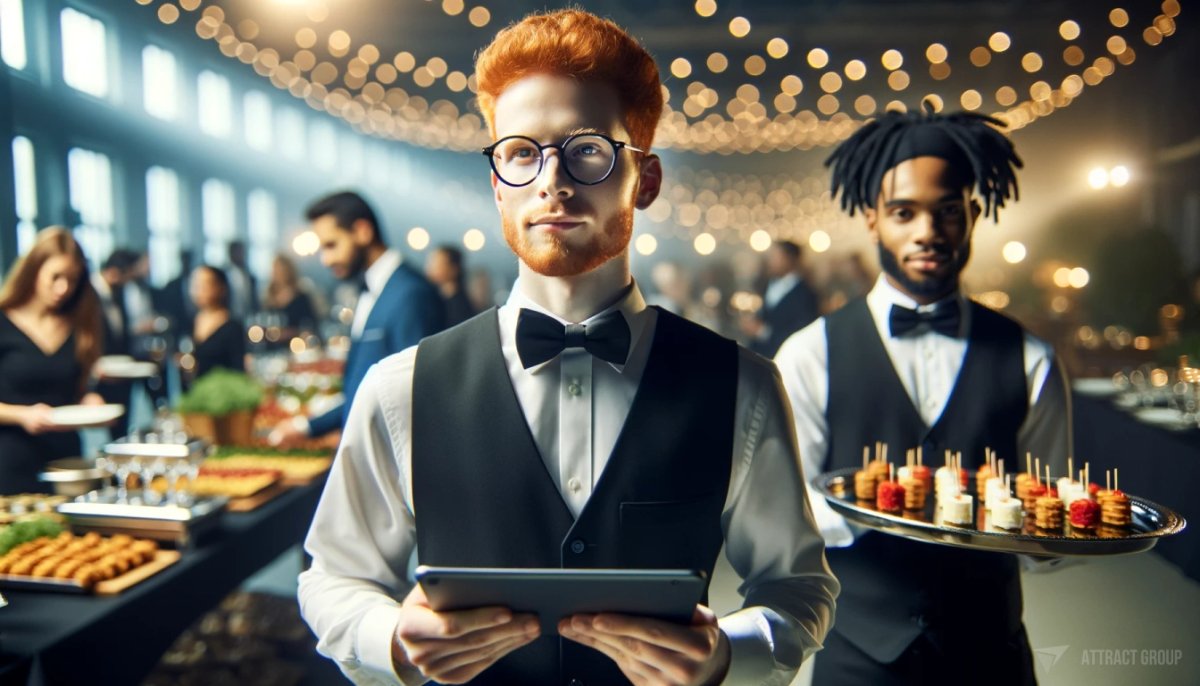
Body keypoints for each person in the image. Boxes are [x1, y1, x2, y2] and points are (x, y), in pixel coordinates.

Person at [298, 10, 838, 686]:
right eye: (522, 152)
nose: (550, 180)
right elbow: (334, 579)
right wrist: (391, 642)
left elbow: (800, 588)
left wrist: (729, 654)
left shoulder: (743, 387)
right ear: (498, 182)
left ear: (645, 179)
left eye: (585, 149)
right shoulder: (398, 385)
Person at [774, 108, 1070, 686]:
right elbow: (792, 512)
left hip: (993, 656)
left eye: (948, 212)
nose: (927, 232)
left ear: (974, 216)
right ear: (871, 219)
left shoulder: (1031, 358)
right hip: (856, 655)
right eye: (903, 213)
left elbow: (1048, 527)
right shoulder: (810, 354)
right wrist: (879, 513)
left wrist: (1044, 532)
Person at [269, 191, 445, 445]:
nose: (326, 259)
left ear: (362, 231)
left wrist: (311, 428)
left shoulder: (411, 293)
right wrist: (307, 426)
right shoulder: (371, 289)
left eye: (331, 245)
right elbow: (358, 390)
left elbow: (412, 394)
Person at [0, 228, 105, 493]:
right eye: (55, 277)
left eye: (72, 279)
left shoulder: (81, 325)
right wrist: (22, 415)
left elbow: (74, 391)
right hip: (10, 461)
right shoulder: (3, 321)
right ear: (33, 269)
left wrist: (88, 401)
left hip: (67, 465)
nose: (63, 288)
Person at [741, 240, 820, 357]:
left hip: (784, 358)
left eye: (775, 256)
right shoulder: (768, 284)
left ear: (790, 258)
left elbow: (802, 333)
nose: (770, 261)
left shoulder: (805, 295)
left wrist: (762, 331)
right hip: (760, 356)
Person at [92, 248, 140, 438]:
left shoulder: (118, 293)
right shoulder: (89, 294)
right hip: (101, 372)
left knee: (121, 426)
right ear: (115, 272)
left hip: (122, 370)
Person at [187, 265, 245, 382]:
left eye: (205, 285)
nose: (198, 292)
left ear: (220, 287)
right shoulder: (194, 320)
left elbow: (238, 371)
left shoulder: (232, 327)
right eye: (196, 286)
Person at [263, 253, 319, 339]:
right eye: (276, 270)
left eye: (282, 270)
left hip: (295, 344)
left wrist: (291, 332)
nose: (279, 274)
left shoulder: (300, 297)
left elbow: (311, 324)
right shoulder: (268, 297)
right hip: (272, 346)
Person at [424, 245, 476, 327]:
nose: (429, 268)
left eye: (436, 264)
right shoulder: (439, 298)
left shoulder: (459, 307)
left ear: (454, 269)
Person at [225, 240, 258, 321]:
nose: (240, 255)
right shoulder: (225, 274)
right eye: (237, 252)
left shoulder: (249, 275)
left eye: (241, 252)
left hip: (247, 317)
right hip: (229, 316)